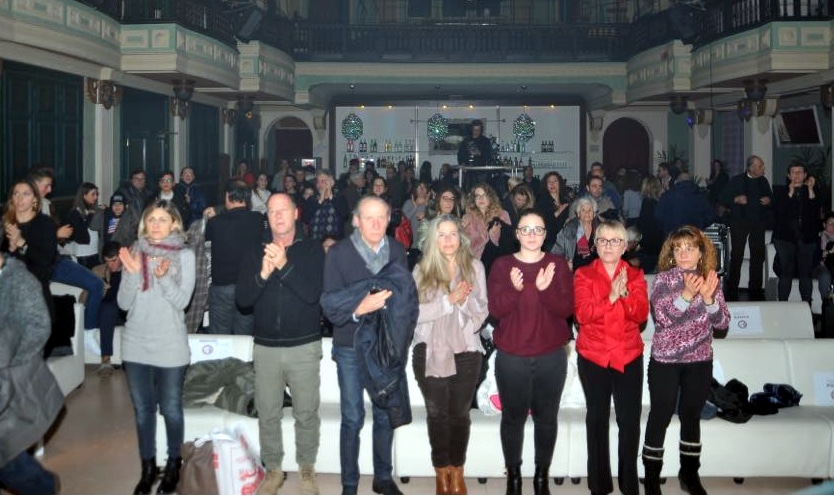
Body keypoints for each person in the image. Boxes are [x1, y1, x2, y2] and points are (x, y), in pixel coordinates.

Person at [320, 196, 418, 495]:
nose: (376, 224)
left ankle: (382, 477)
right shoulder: (338, 252)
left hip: (385, 344)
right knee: (352, 416)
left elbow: (403, 297)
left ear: (389, 219)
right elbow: (329, 302)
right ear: (356, 220)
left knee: (385, 411)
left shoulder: (397, 250)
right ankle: (349, 484)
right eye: (369, 217)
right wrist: (358, 308)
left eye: (381, 218)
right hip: (349, 344)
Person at [236, 193, 325, 495]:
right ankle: (273, 470)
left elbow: (313, 294)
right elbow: (243, 300)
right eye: (271, 211)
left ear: (296, 213)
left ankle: (307, 469)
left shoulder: (313, 250)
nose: (277, 216)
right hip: (266, 347)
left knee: (306, 412)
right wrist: (262, 273)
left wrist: (284, 265)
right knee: (268, 412)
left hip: (303, 345)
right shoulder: (253, 252)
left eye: (283, 210)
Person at [486, 209, 573, 495]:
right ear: (518, 234)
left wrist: (545, 290)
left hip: (551, 356)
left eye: (538, 229)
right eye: (527, 229)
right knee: (512, 418)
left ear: (546, 234)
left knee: (546, 419)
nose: (532, 235)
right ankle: (513, 476)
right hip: (512, 356)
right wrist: (514, 288)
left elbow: (566, 310)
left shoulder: (557, 265)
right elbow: (496, 311)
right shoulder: (502, 266)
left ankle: (540, 477)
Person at [642, 226, 730, 495]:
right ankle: (652, 478)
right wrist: (688, 296)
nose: (683, 253)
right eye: (678, 248)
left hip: (699, 361)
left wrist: (709, 299)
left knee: (691, 417)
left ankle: (689, 475)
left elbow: (723, 323)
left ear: (701, 251)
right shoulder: (664, 280)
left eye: (689, 248)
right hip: (665, 362)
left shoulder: (710, 279)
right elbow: (664, 319)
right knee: (660, 415)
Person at [117, 199, 196, 495]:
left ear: (174, 223)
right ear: (144, 224)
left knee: (172, 409)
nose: (157, 225)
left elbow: (182, 302)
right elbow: (124, 303)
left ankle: (174, 464)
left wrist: (162, 278)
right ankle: (147, 467)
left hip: (170, 343)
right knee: (142, 411)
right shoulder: (135, 253)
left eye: (163, 219)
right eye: (152, 220)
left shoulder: (184, 256)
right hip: (136, 341)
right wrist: (135, 273)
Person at [412, 214, 489, 495]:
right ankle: (441, 472)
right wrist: (448, 302)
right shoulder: (422, 270)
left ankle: (457, 470)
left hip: (466, 350)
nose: (447, 240)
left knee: (459, 414)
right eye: (441, 234)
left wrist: (465, 300)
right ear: (433, 239)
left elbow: (482, 313)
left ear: (461, 237)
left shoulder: (475, 267)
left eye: (452, 234)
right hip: (429, 351)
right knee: (437, 414)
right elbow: (413, 314)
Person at [573, 219, 649, 495]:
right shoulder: (583, 275)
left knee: (629, 421)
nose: (608, 245)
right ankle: (600, 484)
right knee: (597, 419)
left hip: (628, 355)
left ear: (625, 246)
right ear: (595, 245)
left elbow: (640, 315)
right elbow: (582, 315)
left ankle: (629, 484)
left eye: (615, 240)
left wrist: (624, 294)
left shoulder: (636, 275)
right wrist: (611, 297)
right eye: (603, 240)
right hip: (593, 355)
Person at [0, 251, 64, 495]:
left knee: (10, 461)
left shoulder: (19, 280)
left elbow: (39, 327)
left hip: (14, 383)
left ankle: (44, 487)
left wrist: (7, 360)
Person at [206, 179, 266, 335]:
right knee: (244, 338)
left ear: (227, 196)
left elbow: (205, 244)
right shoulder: (258, 220)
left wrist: (216, 211)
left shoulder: (215, 223)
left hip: (222, 286)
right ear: (248, 198)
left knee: (219, 338)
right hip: (248, 286)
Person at [2, 179, 58, 342]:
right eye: (16, 194)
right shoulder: (4, 224)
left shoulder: (44, 225)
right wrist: (10, 250)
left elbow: (44, 267)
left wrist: (22, 244)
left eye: (25, 194)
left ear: (35, 199)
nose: (19, 199)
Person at [721, 155, 773, 300]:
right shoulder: (737, 180)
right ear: (751, 168)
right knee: (737, 255)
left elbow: (771, 199)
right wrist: (735, 199)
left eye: (762, 166)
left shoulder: (763, 181)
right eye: (760, 166)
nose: (763, 169)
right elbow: (722, 197)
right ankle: (732, 289)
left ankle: (755, 289)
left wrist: (768, 200)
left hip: (758, 223)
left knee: (758, 256)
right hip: (739, 222)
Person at [772, 163, 820, 304]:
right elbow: (780, 213)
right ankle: (782, 304)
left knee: (806, 273)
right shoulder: (781, 192)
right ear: (788, 175)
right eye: (793, 172)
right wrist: (790, 193)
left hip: (807, 237)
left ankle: (806, 305)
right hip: (784, 238)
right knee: (786, 272)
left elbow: (815, 212)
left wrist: (811, 189)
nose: (797, 175)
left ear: (805, 175)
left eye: (800, 172)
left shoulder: (812, 191)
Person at [93, 241, 127, 378]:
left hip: (126, 312)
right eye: (107, 261)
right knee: (108, 308)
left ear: (121, 257)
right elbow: (83, 299)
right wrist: (98, 291)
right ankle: (105, 360)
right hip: (105, 314)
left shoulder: (131, 269)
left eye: (114, 261)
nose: (110, 265)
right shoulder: (98, 271)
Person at [655, 172, 715, 237]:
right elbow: (711, 217)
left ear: (677, 181)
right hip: (694, 237)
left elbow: (658, 216)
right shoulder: (701, 197)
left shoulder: (668, 195)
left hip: (673, 237)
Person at [461, 184, 510, 259]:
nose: (481, 198)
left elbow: (508, 243)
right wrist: (484, 237)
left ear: (490, 198)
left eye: (484, 195)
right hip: (474, 262)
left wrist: (494, 235)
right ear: (474, 199)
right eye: (477, 196)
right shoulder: (468, 218)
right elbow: (465, 246)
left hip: (496, 261)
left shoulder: (502, 215)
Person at [552, 196, 600, 271]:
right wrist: (565, 265)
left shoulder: (601, 230)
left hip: (596, 272)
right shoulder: (568, 230)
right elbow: (555, 255)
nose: (587, 213)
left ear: (594, 214)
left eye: (590, 210)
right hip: (575, 273)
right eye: (583, 210)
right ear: (578, 214)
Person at [66, 182, 105, 269]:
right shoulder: (75, 213)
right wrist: (90, 216)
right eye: (93, 194)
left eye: (97, 194)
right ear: (84, 195)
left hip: (96, 251)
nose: (96, 197)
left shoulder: (94, 209)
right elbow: (79, 234)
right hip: (83, 254)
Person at [303, 171, 349, 240]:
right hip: (315, 240)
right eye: (318, 182)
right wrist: (320, 201)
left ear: (331, 183)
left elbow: (345, 215)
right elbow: (306, 218)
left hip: (334, 241)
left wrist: (331, 197)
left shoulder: (339, 198)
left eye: (323, 181)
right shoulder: (312, 199)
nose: (319, 184)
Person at [536, 171, 570, 252]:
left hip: (564, 241)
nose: (552, 184)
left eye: (555, 181)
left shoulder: (565, 200)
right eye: (549, 182)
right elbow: (542, 223)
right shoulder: (542, 201)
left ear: (560, 184)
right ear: (546, 185)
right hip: (549, 242)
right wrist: (557, 212)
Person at [457, 119, 493, 191]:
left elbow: (489, 156)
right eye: (474, 130)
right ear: (471, 129)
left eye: (478, 130)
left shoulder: (485, 141)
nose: (476, 132)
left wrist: (479, 153)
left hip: (481, 173)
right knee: (468, 192)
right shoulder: (466, 140)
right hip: (468, 172)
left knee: (481, 191)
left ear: (481, 130)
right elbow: (460, 155)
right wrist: (462, 163)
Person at [813, 212, 834, 302]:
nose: (833, 226)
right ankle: (827, 303)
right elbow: (814, 256)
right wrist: (829, 252)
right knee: (825, 275)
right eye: (830, 223)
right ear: (824, 224)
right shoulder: (818, 237)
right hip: (820, 266)